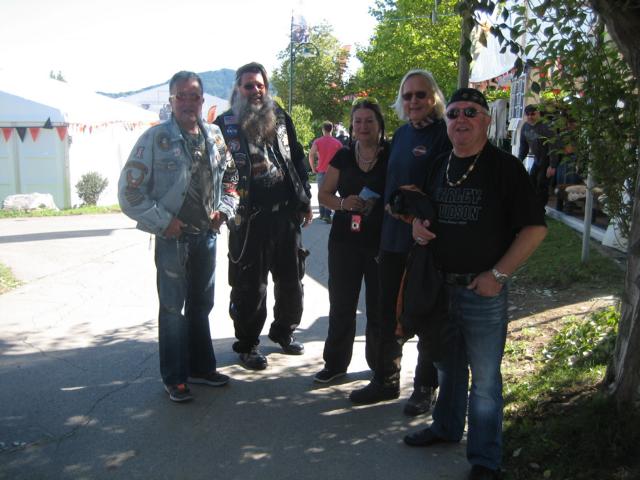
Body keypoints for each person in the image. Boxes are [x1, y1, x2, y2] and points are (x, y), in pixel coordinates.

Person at [405, 88, 547, 480]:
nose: (461, 119)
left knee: (484, 381)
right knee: (448, 368)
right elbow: (422, 212)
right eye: (453, 114)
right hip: (440, 288)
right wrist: (416, 226)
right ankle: (446, 427)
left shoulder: (505, 168)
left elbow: (535, 229)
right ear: (446, 122)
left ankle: (485, 459)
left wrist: (497, 276)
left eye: (471, 112)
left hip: (482, 293)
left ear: (486, 120)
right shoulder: (439, 165)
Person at [117, 71, 238, 403]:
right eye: (180, 96)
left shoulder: (214, 135)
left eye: (194, 96)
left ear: (202, 100)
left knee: (201, 306)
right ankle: (175, 377)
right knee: (173, 310)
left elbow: (232, 177)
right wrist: (163, 222)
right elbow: (129, 193)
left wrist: (225, 209)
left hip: (206, 237)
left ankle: (201, 368)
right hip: (172, 239)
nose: (187, 102)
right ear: (171, 101)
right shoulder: (155, 139)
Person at [349, 69, 452, 417]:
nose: (414, 101)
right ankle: (385, 379)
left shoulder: (444, 134)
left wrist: (421, 219)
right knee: (384, 313)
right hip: (391, 240)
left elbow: (444, 190)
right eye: (407, 96)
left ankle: (424, 388)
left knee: (426, 316)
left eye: (421, 95)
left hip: (425, 243)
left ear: (433, 97)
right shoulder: (403, 134)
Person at [214, 62, 312, 371]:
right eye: (249, 85)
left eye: (260, 85)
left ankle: (284, 331)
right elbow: (214, 172)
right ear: (238, 90)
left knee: (292, 281)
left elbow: (297, 157)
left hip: (285, 216)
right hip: (249, 220)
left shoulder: (280, 117)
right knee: (249, 287)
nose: (255, 90)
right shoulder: (224, 125)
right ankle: (247, 344)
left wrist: (304, 199)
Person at [314, 98, 389, 383]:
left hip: (381, 241)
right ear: (352, 125)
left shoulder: (391, 154)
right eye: (358, 121)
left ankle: (380, 365)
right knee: (342, 304)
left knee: (379, 305)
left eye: (369, 120)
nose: (363, 126)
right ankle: (335, 364)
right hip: (344, 241)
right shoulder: (343, 155)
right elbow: (324, 195)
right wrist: (343, 203)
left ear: (379, 124)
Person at [518, 104, 559, 208]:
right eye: (527, 114)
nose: (530, 116)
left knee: (542, 184)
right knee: (531, 182)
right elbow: (523, 147)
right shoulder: (525, 127)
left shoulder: (546, 126)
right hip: (537, 160)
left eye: (532, 114)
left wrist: (552, 165)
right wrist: (518, 161)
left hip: (548, 159)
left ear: (538, 114)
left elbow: (553, 146)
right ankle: (532, 206)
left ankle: (540, 208)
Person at [309, 121, 343, 223]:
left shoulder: (318, 141)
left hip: (321, 170)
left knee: (321, 192)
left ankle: (323, 214)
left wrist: (313, 168)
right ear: (332, 129)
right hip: (333, 172)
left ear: (323, 130)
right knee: (330, 192)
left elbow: (311, 155)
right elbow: (343, 156)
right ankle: (327, 215)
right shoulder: (337, 143)